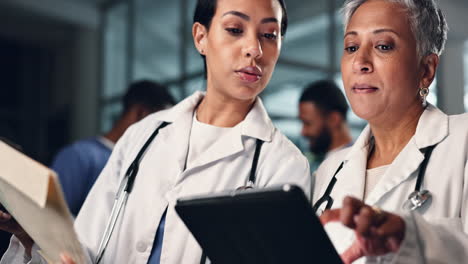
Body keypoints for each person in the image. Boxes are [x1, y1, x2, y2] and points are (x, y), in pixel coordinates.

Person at [0, 0, 311, 263]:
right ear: (200, 37)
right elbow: (84, 249)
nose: (254, 49)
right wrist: (35, 237)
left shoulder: (283, 163)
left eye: (269, 35)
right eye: (234, 29)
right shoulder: (144, 134)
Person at [313, 0, 468, 263]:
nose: (359, 62)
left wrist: (411, 237)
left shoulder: (462, 140)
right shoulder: (329, 171)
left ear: (426, 70)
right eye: (351, 47)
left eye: (383, 46)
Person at [50, 80, 176, 216]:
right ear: (140, 113)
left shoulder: (144, 165)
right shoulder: (78, 156)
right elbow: (52, 219)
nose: (163, 134)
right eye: (162, 125)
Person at [299, 80, 353, 171]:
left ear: (334, 119)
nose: (303, 132)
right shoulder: (325, 163)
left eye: (308, 123)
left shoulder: (354, 165)